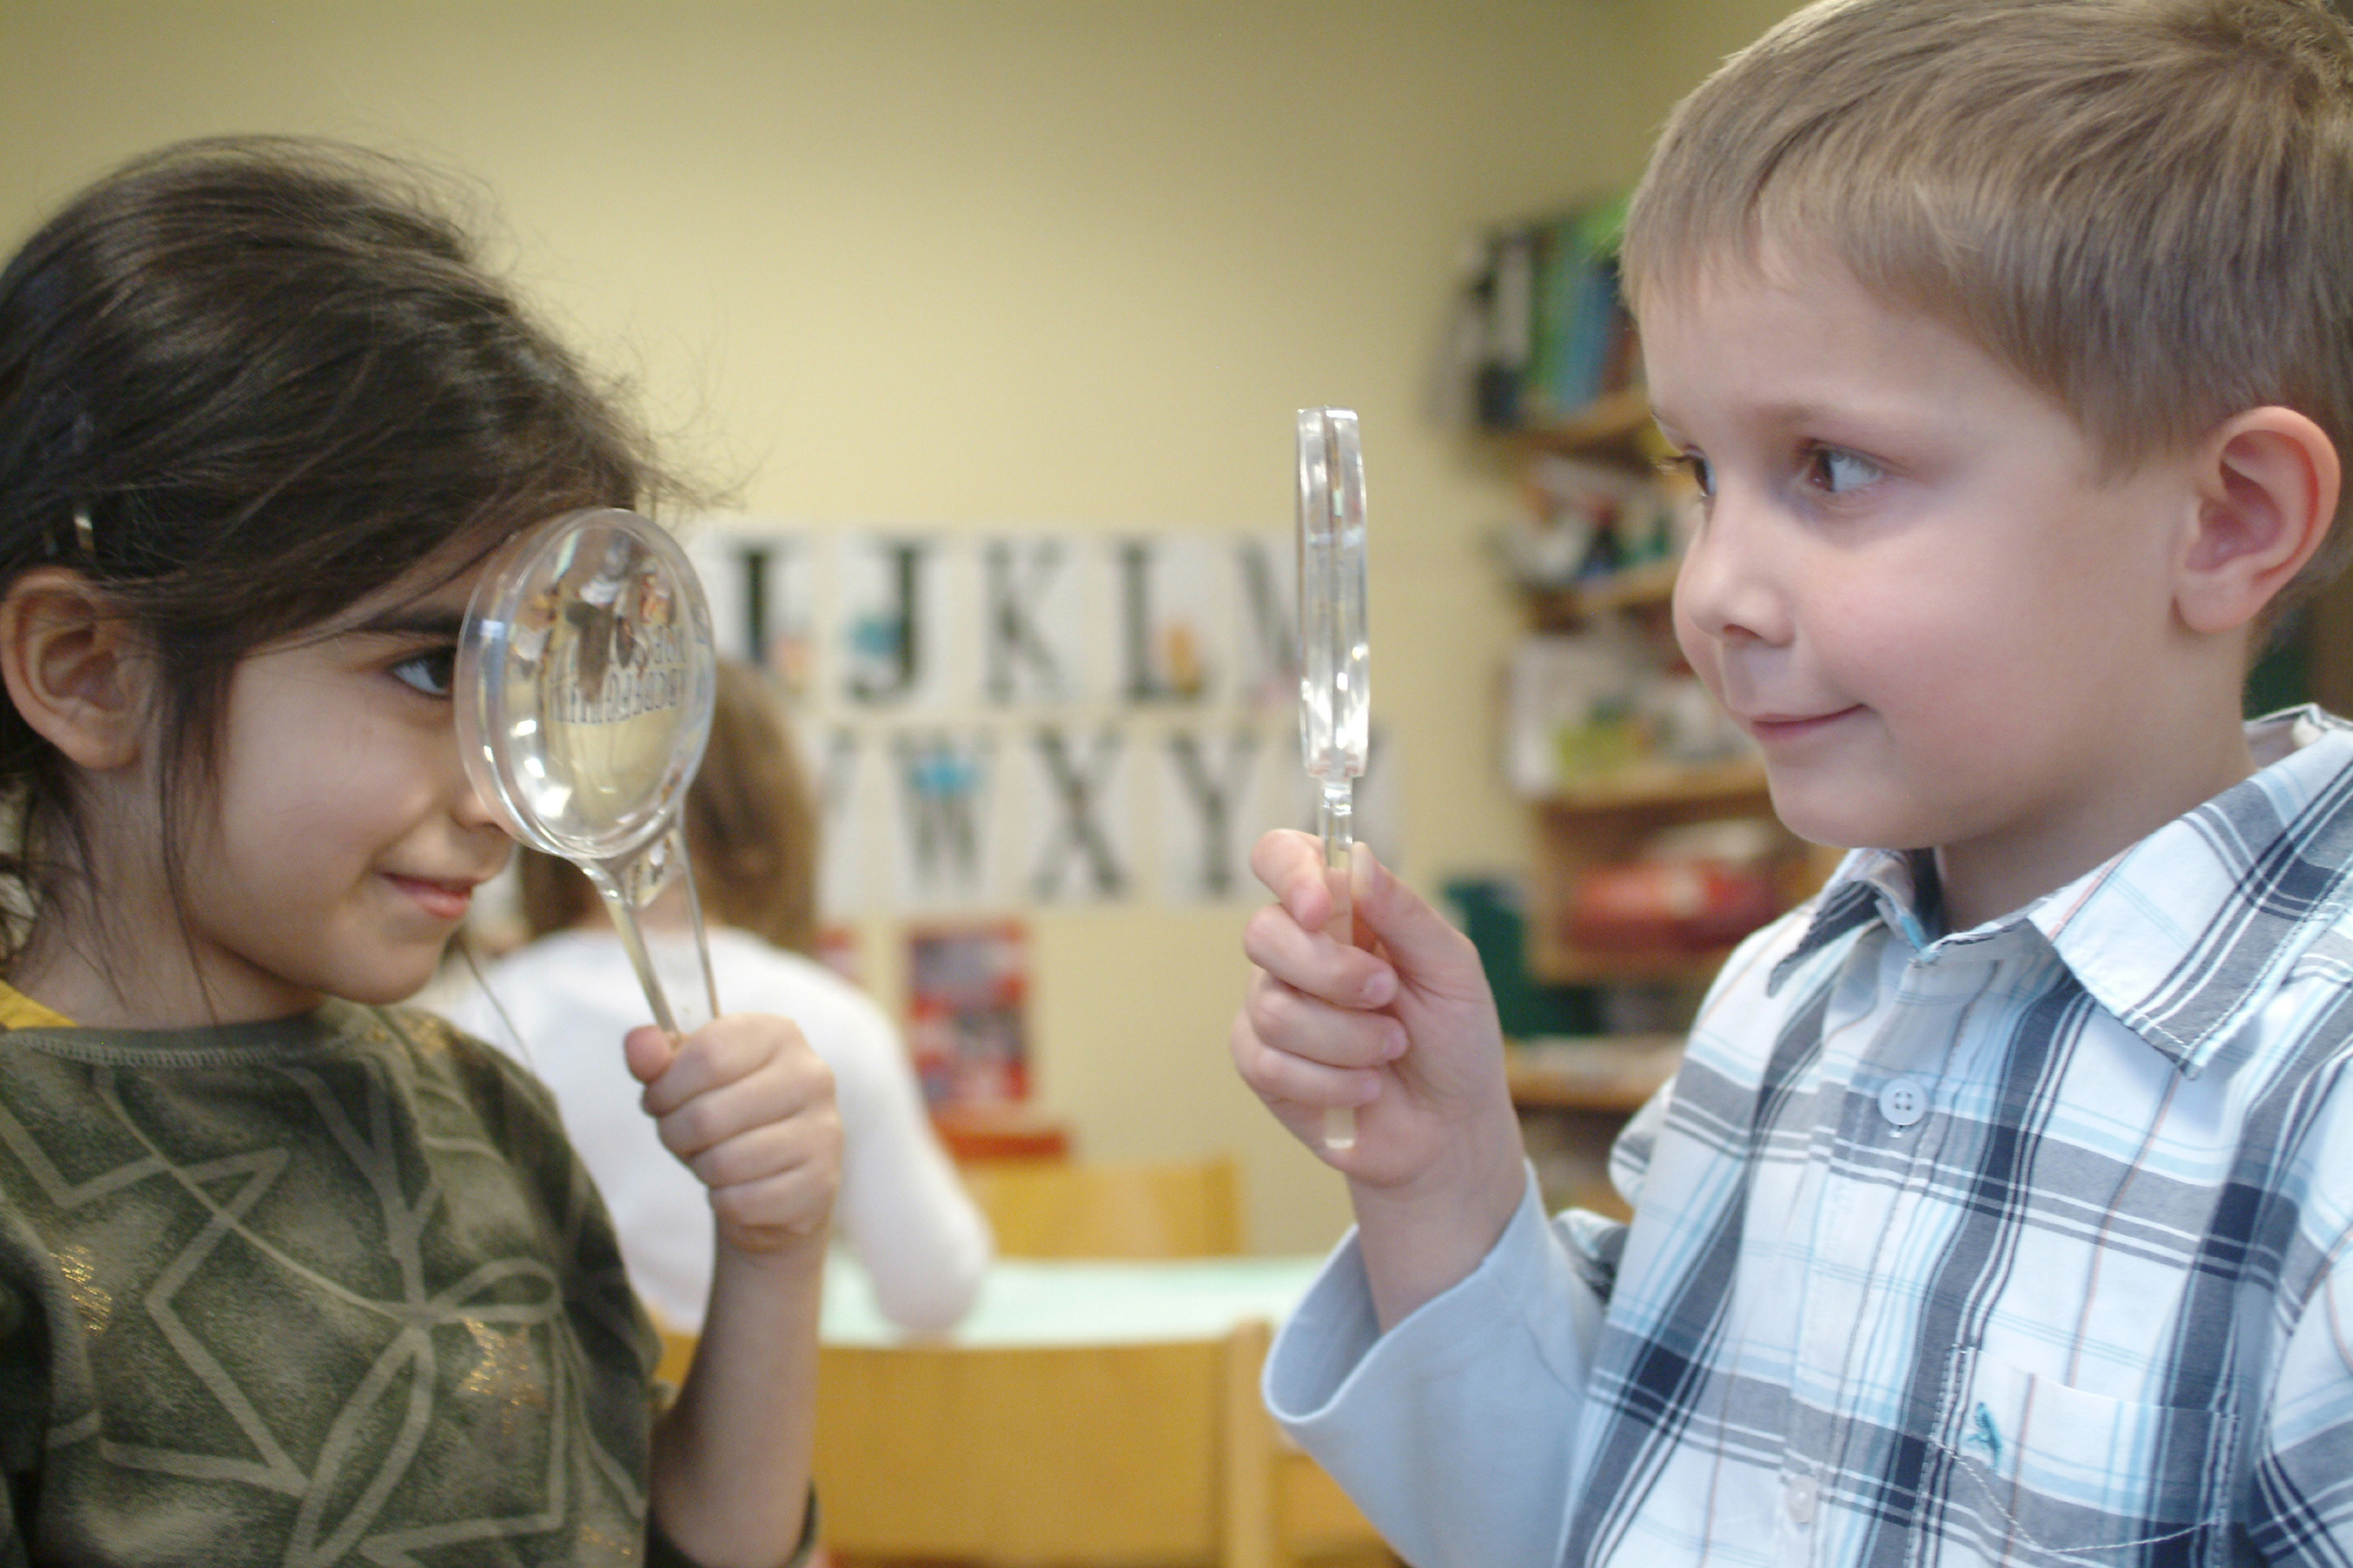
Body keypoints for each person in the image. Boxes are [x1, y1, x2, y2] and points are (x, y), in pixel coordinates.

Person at [1232, 2, 2353, 1562]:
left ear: (2229, 518)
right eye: (1698, 472)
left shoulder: (2317, 1110)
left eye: (1830, 466)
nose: (1714, 593)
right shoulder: (1780, 1003)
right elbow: (1589, 1518)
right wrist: (1444, 1176)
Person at [0, 137, 838, 1568]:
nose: (504, 800)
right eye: (420, 671)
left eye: (525, 691)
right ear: (89, 668)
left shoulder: (482, 1114)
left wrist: (771, 1258)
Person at [444, 657, 991, 1337]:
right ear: (770, 817)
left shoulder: (483, 1014)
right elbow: (934, 1293)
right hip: (780, 1425)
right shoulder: (833, 1022)